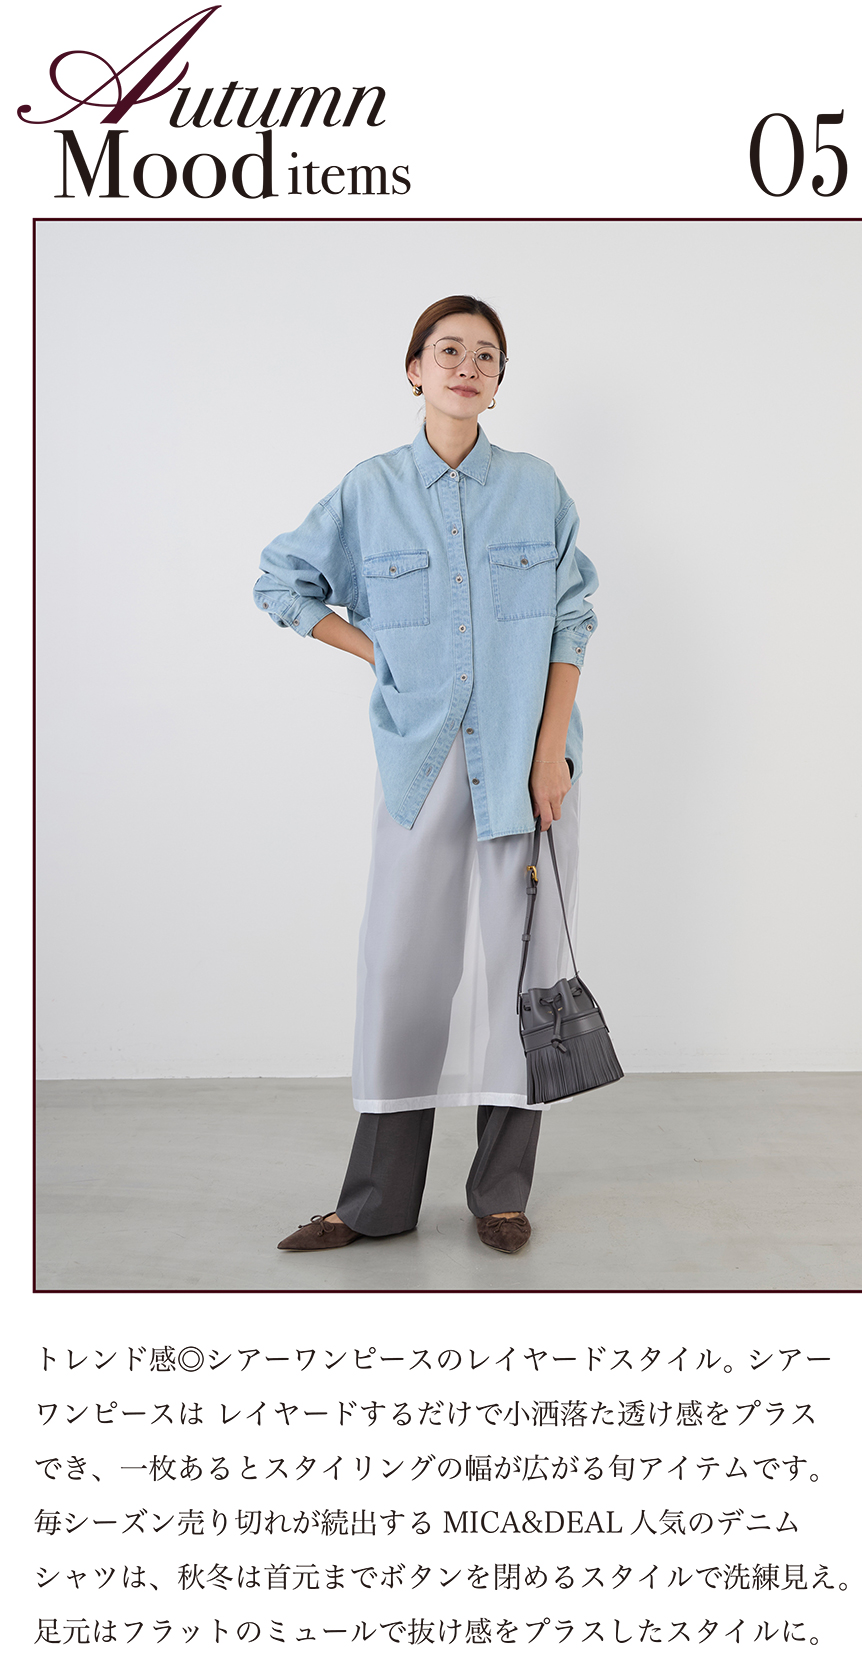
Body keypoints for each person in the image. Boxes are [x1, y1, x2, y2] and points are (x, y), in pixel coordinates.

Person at [253, 295, 598, 1256]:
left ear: (498, 381)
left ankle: (501, 1194)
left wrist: (549, 752)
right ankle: (377, 1202)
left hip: (528, 768)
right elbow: (281, 582)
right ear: (415, 369)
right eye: (448, 350)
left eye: (486, 355)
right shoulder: (369, 490)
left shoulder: (535, 486)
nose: (466, 367)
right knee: (403, 972)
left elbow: (572, 616)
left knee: (523, 972)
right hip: (421, 765)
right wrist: (381, 655)